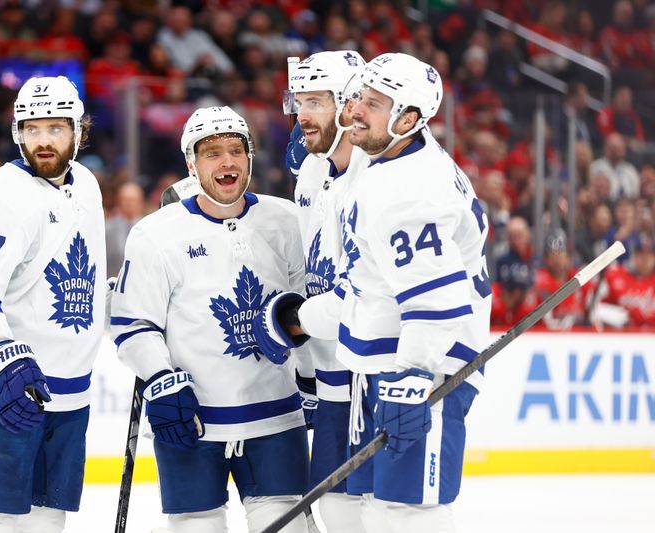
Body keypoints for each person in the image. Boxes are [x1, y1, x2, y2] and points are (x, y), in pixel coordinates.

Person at [254, 53, 491, 532]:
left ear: (407, 119)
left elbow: (436, 302)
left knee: (402, 514)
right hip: (381, 365)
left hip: (422, 369)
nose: (354, 109)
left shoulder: (407, 188)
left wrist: (415, 375)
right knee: (371, 511)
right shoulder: (386, 166)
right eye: (357, 95)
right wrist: (300, 320)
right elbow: (369, 288)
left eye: (372, 102)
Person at [110, 106, 310, 533]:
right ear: (191, 164)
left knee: (289, 525)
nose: (227, 162)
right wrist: (160, 380)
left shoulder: (286, 220)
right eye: (212, 152)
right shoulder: (155, 234)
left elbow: (307, 310)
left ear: (250, 158)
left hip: (275, 417)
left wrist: (313, 382)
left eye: (237, 150)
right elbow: (132, 324)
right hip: (192, 417)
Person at [0, 75, 106, 532]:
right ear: (17, 132)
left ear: (79, 130)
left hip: (70, 391)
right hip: (6, 386)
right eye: (32, 129)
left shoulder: (88, 186)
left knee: (48, 521)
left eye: (55, 128)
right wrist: (0, 358)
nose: (43, 141)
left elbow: (81, 281)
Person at [283, 49, 368, 533]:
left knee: (377, 512)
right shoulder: (311, 170)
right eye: (298, 102)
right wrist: (307, 372)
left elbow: (362, 295)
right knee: (334, 507)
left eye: (314, 101)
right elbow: (306, 271)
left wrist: (292, 324)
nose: (302, 115)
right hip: (331, 371)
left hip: (369, 372)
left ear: (349, 104)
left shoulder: (373, 176)